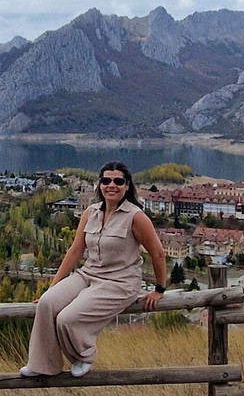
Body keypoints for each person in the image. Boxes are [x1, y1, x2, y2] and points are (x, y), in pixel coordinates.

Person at [20, 161, 168, 378]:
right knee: (46, 303)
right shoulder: (91, 212)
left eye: (118, 181)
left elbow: (158, 253)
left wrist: (159, 289)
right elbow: (74, 251)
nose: (112, 185)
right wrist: (51, 288)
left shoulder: (135, 217)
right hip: (88, 274)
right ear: (100, 184)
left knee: (66, 319)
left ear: (127, 186)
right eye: (106, 180)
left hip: (119, 282)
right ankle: (43, 365)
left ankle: (84, 355)